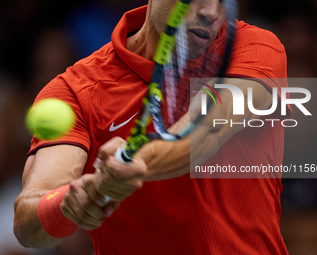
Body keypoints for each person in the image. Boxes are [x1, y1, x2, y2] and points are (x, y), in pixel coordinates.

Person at [14, 0, 291, 254]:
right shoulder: (75, 91)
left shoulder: (256, 47)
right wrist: (68, 204)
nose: (211, 12)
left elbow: (207, 131)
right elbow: (28, 222)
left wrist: (132, 164)